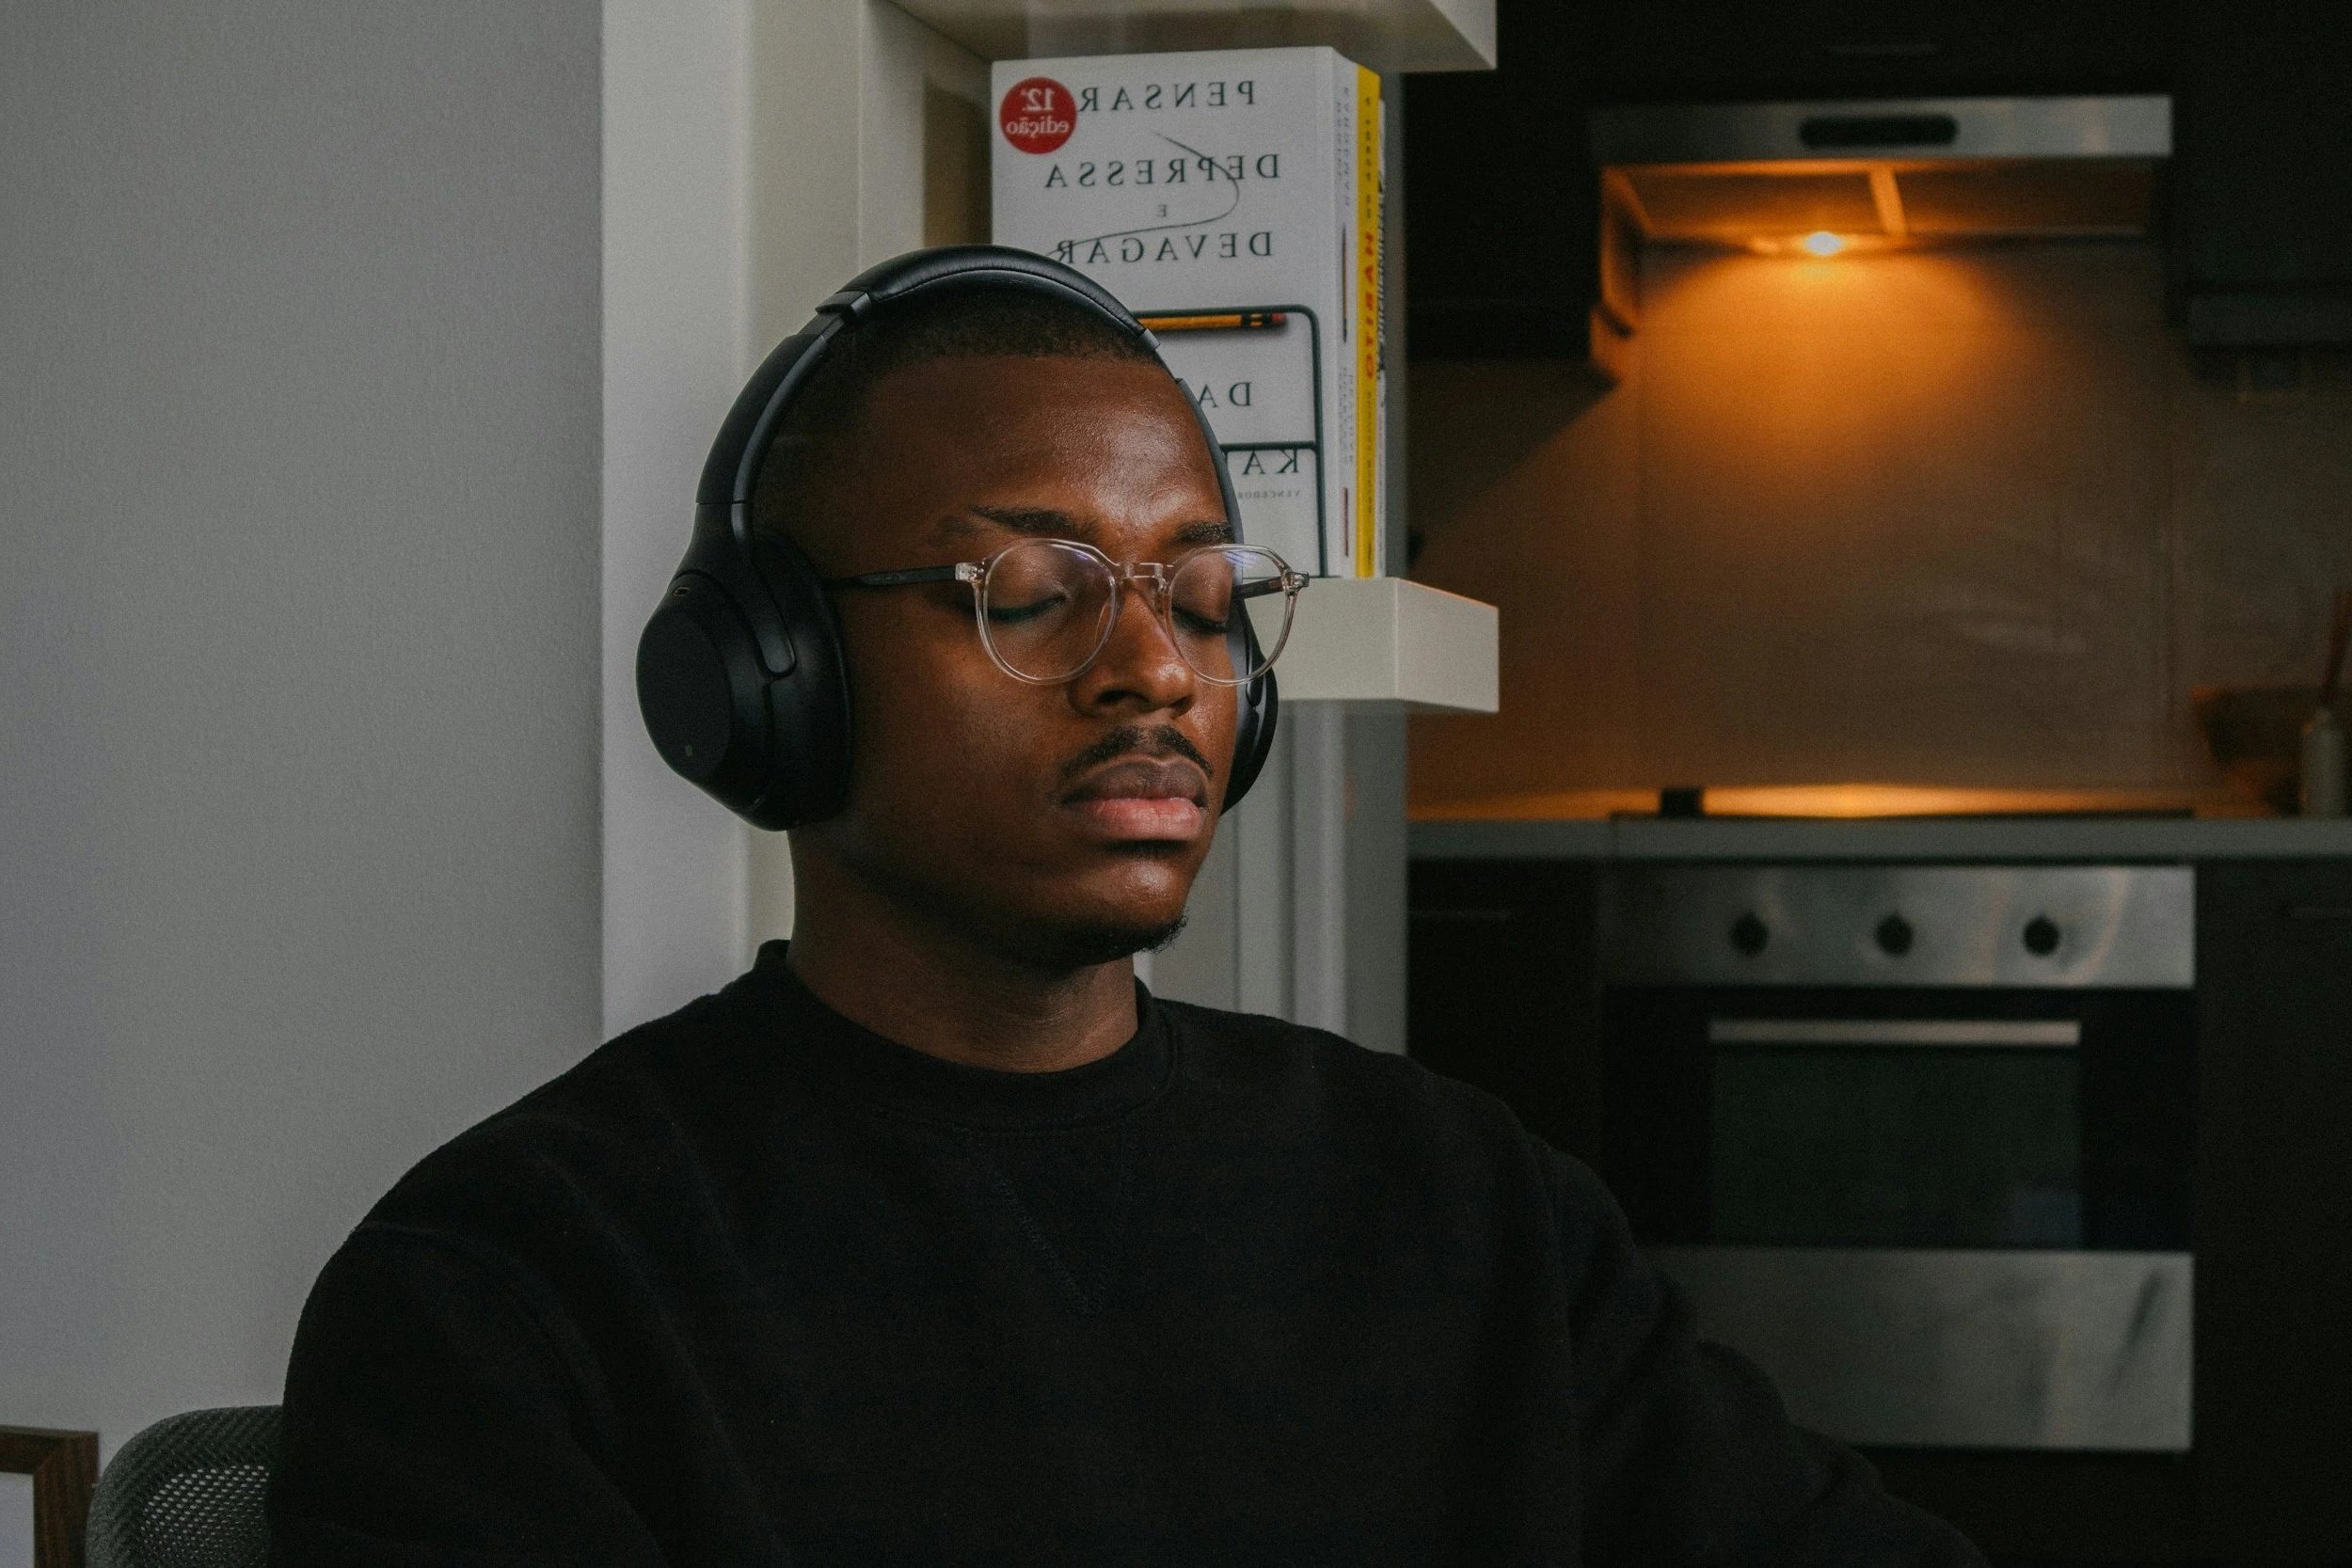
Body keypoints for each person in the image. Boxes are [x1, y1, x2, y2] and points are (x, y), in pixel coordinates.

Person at [268, 248, 1984, 1565]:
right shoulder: (516, 1283)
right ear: (768, 674)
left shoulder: (1465, 1206)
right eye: (1033, 590)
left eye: (1203, 592)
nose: (1156, 667)